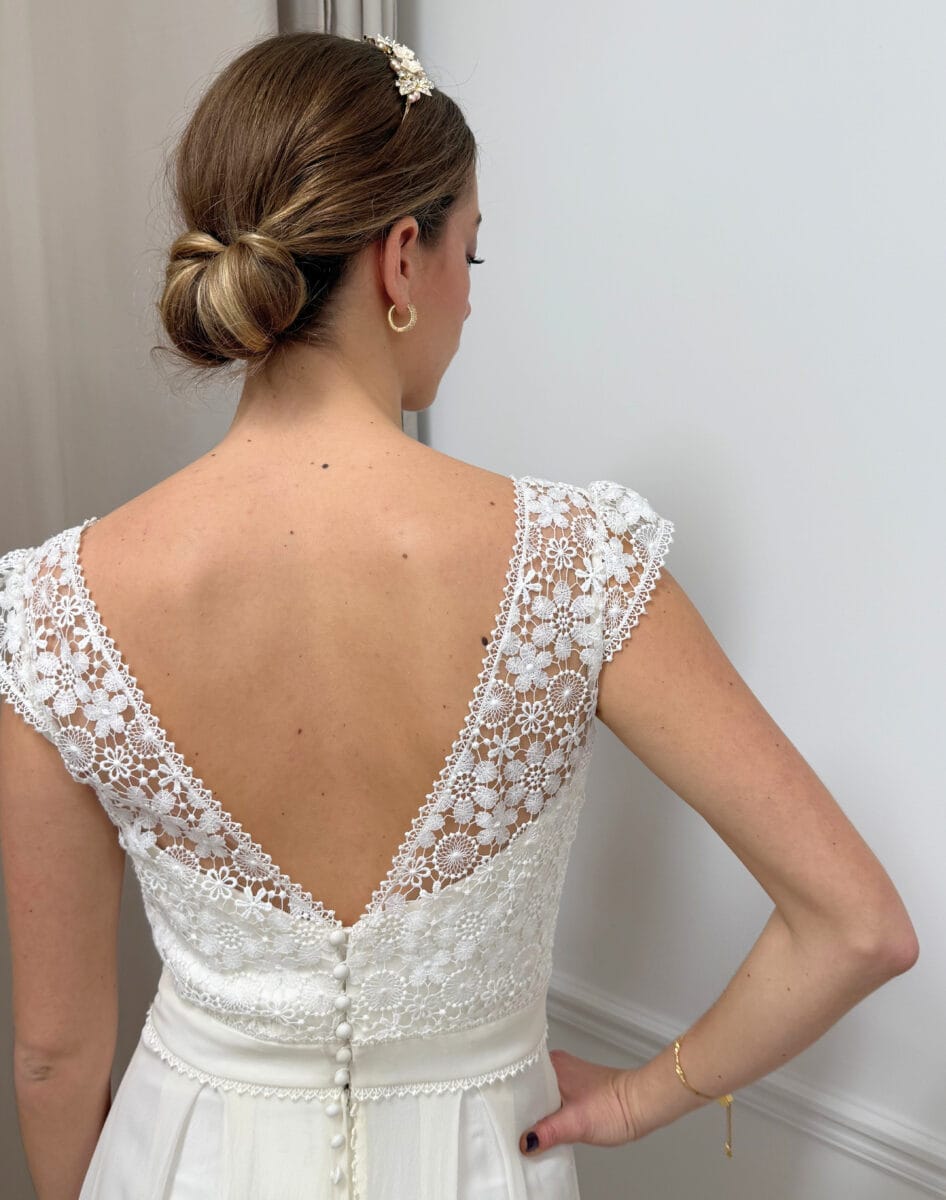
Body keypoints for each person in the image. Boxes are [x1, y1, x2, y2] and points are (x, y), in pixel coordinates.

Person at [0, 30, 917, 1200]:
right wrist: (636, 1099)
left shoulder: (53, 612)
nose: (470, 299)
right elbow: (856, 926)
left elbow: (52, 1055)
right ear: (401, 258)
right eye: (469, 253)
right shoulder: (578, 566)